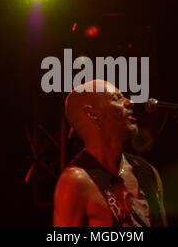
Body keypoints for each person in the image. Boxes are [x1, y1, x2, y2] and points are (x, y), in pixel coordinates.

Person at [53, 79, 167, 227]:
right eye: (117, 98)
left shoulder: (148, 171)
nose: (130, 102)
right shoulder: (76, 181)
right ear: (92, 114)